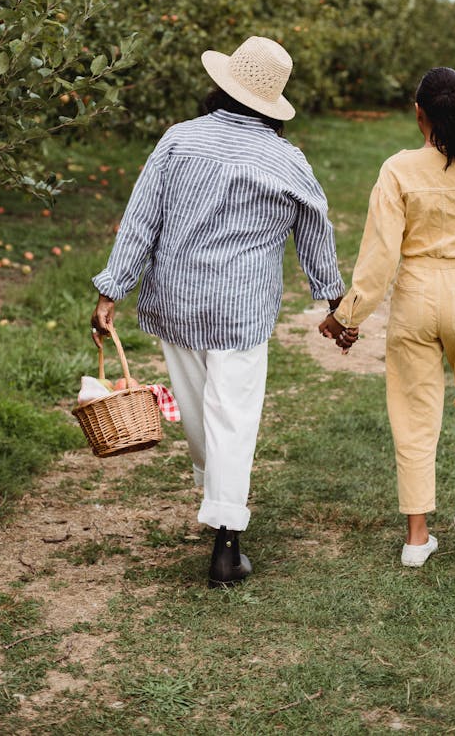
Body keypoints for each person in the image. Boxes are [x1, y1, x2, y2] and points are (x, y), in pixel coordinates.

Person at [91, 36, 346, 587]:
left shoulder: (180, 140)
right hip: (239, 312)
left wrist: (113, 288)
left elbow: (142, 218)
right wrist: (330, 298)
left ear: (223, 85)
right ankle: (227, 542)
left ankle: (219, 501)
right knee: (232, 415)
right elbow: (316, 226)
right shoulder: (286, 159)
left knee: (200, 411)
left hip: (177, 300)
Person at [319, 67, 455, 567]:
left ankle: (417, 539)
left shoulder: (397, 170)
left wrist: (347, 317)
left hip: (415, 297)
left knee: (414, 414)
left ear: (419, 112)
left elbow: (378, 257)